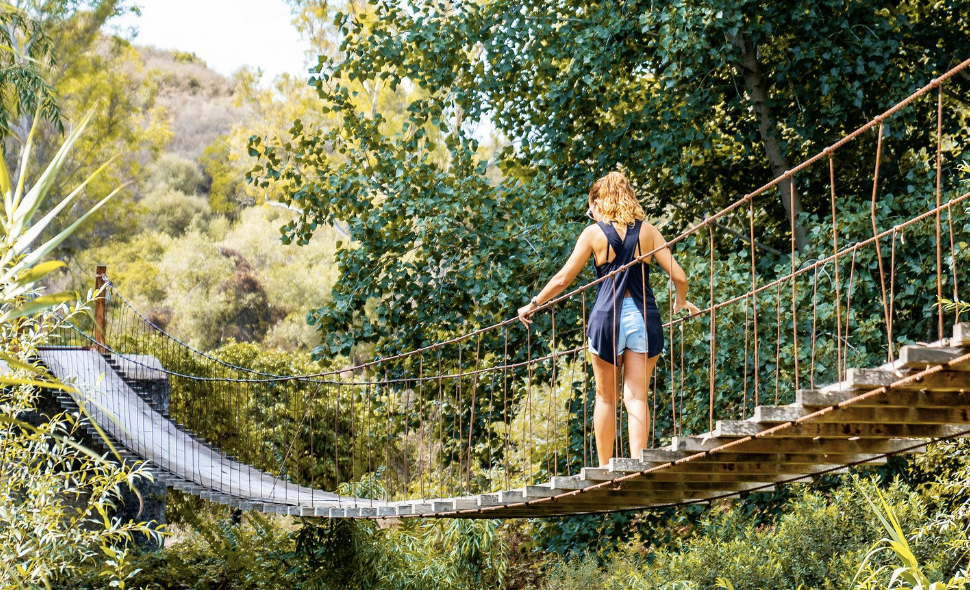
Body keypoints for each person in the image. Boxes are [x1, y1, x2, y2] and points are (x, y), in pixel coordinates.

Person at [517, 171, 700, 468]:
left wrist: (534, 304)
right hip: (643, 317)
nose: (591, 212)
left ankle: (605, 469)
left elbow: (563, 279)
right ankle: (639, 465)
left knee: (606, 398)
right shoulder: (649, 232)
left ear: (599, 201)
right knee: (637, 398)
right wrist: (680, 300)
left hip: (607, 320)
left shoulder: (593, 234)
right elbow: (679, 276)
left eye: (591, 206)